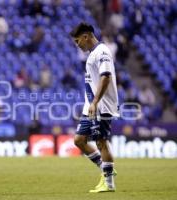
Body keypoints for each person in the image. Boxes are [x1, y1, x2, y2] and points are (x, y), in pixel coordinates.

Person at [70, 22, 119, 193]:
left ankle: (109, 183)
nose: (77, 45)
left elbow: (106, 77)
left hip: (101, 105)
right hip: (91, 106)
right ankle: (106, 170)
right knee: (79, 140)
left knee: (101, 141)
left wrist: (96, 101)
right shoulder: (92, 55)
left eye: (78, 41)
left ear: (86, 36)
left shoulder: (102, 51)